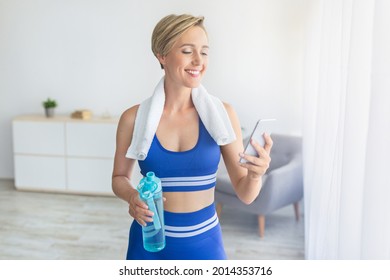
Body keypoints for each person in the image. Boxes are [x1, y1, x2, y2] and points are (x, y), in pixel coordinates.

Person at [112, 14, 273, 260]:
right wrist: (132, 196)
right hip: (148, 245)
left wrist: (255, 174)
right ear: (162, 55)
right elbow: (119, 177)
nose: (199, 61)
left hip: (205, 245)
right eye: (188, 51)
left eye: (205, 52)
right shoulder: (133, 118)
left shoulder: (223, 115)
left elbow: (246, 194)